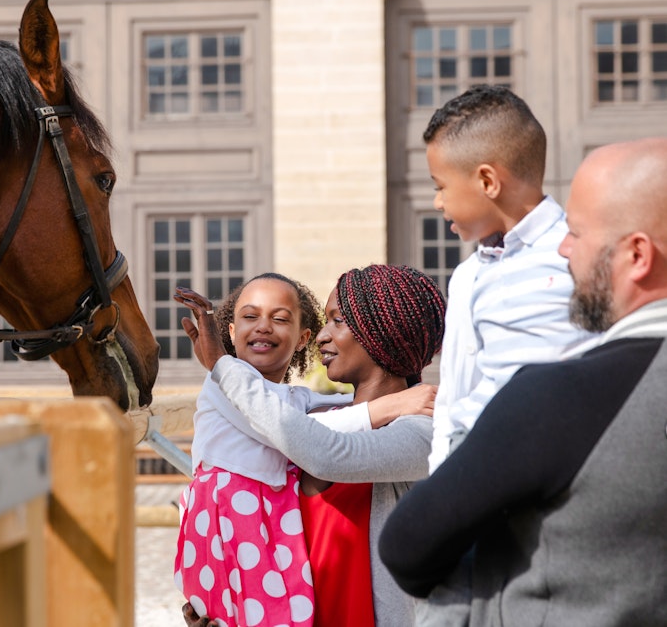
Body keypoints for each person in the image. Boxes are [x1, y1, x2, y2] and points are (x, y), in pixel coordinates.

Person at [378, 137, 667, 626]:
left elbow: (408, 547)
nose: (563, 247)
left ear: (637, 256)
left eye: (577, 232)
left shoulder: (559, 399)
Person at [177, 264, 446, 627]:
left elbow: (327, 453)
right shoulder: (321, 418)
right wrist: (224, 603)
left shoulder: (420, 430)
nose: (321, 335)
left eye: (337, 321)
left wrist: (221, 365)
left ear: (380, 330)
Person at [419, 84, 598, 624]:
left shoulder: (575, 258)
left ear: (488, 180)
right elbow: (457, 397)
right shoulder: (470, 271)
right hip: (461, 510)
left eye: (440, 186)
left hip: (537, 521)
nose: (436, 201)